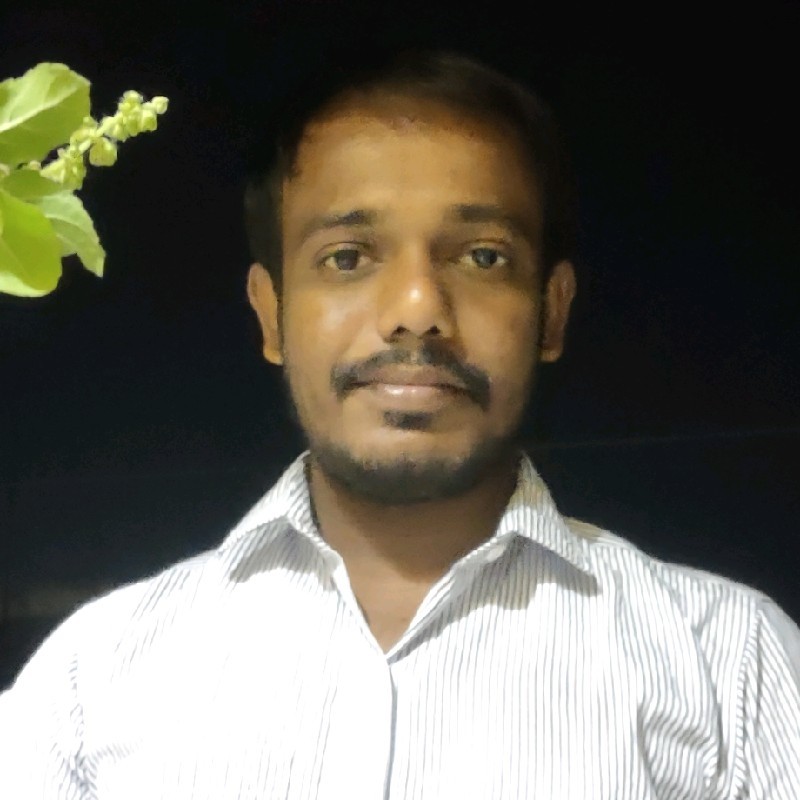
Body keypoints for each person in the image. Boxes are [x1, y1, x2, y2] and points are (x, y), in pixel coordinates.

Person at [1, 49, 798, 799]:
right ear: (271, 315)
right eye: (348, 257)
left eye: (482, 256)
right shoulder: (89, 684)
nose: (417, 309)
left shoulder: (732, 668)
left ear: (552, 313)